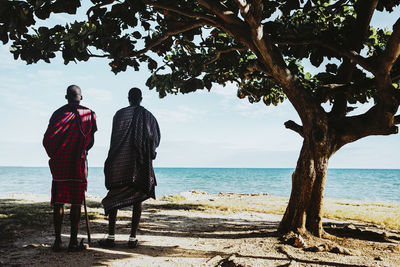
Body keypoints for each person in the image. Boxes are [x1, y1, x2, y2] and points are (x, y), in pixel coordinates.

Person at [99, 87, 160, 249]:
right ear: (141, 98)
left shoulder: (119, 115)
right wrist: (148, 152)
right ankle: (132, 238)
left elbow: (114, 140)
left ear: (128, 98)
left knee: (114, 196)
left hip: (119, 161)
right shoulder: (149, 116)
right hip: (140, 164)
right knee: (138, 198)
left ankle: (111, 237)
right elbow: (155, 138)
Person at [43, 85, 97, 252]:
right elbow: (90, 142)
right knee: (76, 202)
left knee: (59, 201)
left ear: (66, 97)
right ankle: (73, 242)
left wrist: (55, 154)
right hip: (77, 162)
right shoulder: (89, 114)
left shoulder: (58, 114)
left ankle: (58, 242)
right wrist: (83, 150)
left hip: (60, 162)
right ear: (81, 97)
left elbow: (48, 140)